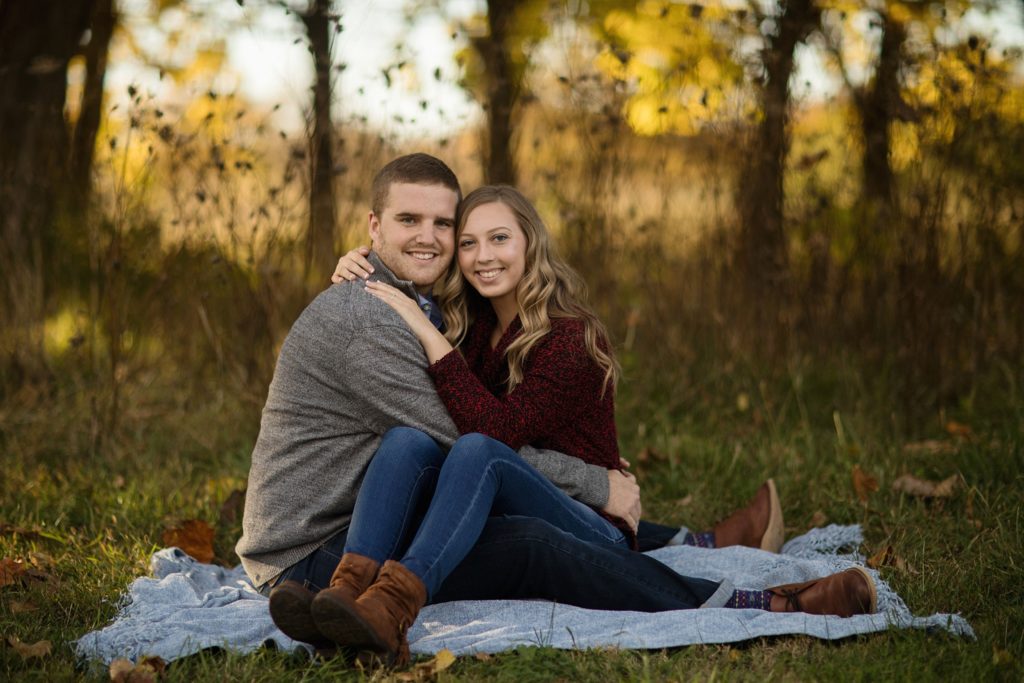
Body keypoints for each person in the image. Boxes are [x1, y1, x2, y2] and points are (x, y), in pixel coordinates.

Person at [238, 155, 875, 669]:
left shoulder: (454, 313)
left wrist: (599, 485)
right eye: (410, 221)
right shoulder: (374, 316)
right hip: (315, 552)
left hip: (367, 524)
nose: (432, 240)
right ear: (373, 229)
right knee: (509, 517)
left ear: (526, 244)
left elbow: (474, 436)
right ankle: (353, 602)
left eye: (444, 226)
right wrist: (601, 484)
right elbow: (469, 436)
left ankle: (747, 585)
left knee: (448, 466)